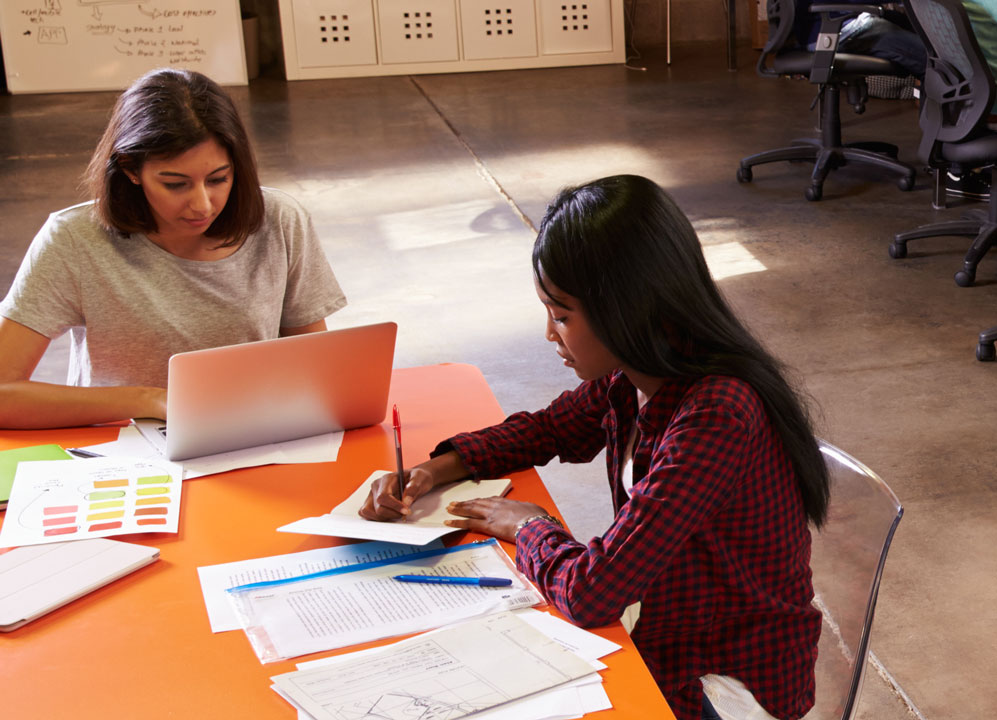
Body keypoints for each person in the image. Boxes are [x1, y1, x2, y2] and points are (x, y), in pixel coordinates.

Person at [359, 175, 832, 720]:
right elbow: (547, 429)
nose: (549, 334)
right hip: (667, 636)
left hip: (726, 685)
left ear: (628, 307)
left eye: (561, 315)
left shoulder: (716, 415)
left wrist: (528, 526)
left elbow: (591, 594)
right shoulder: (637, 376)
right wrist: (434, 469)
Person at [0, 68, 346, 430]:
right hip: (123, 451)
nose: (202, 205)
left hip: (249, 436)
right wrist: (149, 399)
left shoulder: (280, 221)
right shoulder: (73, 240)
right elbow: (4, 393)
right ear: (131, 169)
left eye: (218, 179)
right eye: (176, 184)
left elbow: (312, 369)